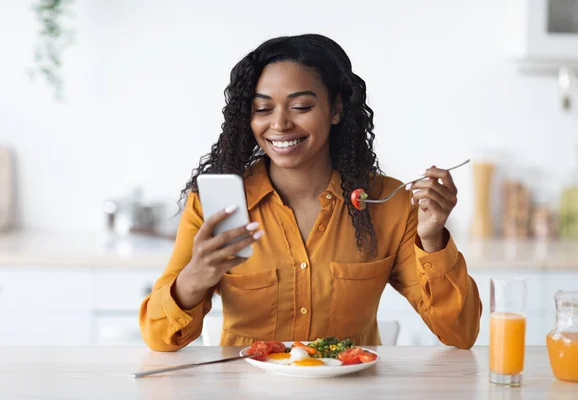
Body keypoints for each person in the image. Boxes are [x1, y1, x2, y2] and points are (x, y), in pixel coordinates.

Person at [139, 34, 482, 351]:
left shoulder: (388, 204)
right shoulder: (217, 207)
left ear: (336, 109)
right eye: (262, 109)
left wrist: (433, 238)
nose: (279, 124)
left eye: (300, 107)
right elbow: (159, 338)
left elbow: (459, 333)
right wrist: (194, 278)